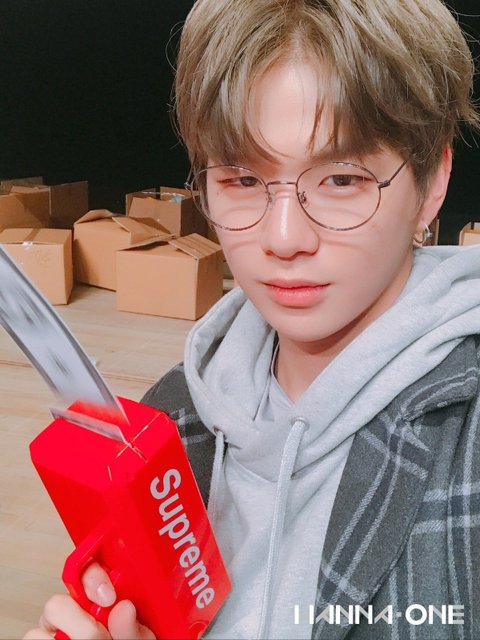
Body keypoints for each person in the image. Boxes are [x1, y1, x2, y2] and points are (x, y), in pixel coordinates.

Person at [25, 0, 480, 638]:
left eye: (341, 179)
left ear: (432, 183)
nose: (284, 238)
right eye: (241, 180)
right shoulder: (172, 413)